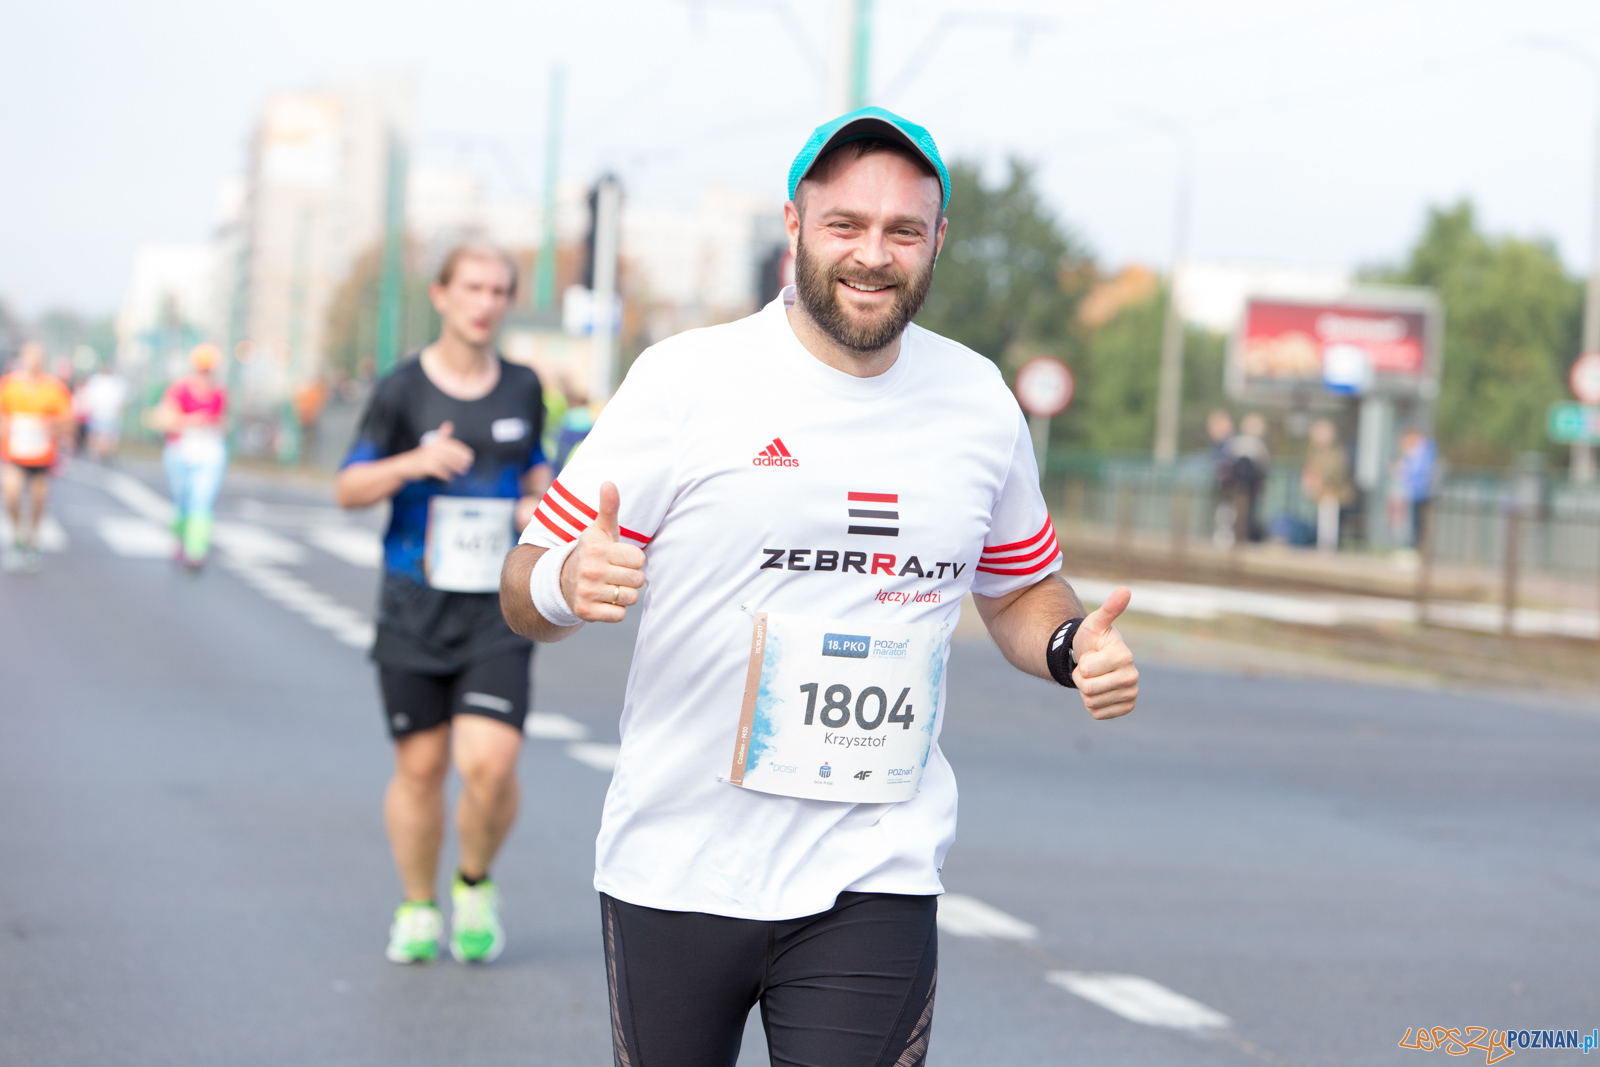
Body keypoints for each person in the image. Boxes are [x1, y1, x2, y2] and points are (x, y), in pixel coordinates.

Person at [500, 106, 1140, 1067]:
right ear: (795, 225)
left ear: (936, 242)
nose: (873, 254)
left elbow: (1016, 591)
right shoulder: (689, 382)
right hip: (680, 863)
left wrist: (1070, 645)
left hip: (874, 869)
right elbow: (521, 586)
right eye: (845, 224)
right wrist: (565, 581)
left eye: (902, 231)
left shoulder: (977, 402)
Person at [335, 243, 551, 965]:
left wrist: (537, 505)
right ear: (441, 295)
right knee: (422, 768)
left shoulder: (522, 386)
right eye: (472, 287)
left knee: (490, 763)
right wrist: (411, 463)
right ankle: (418, 904)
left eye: (498, 289)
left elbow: (539, 474)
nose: (485, 301)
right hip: (414, 607)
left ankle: (474, 882)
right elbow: (348, 489)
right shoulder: (402, 390)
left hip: (497, 607)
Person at [149, 344, 229, 569]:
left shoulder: (219, 393)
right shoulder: (179, 389)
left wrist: (215, 426)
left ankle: (196, 549)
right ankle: (181, 537)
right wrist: (193, 421)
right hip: (180, 452)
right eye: (202, 369)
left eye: (209, 370)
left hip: (209, 454)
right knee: (182, 500)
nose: (205, 374)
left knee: (201, 501)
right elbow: (164, 420)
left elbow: (223, 422)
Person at [0, 341, 74, 571]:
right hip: (15, 453)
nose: (34, 361)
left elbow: (68, 421)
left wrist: (51, 426)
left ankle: (32, 540)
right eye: (30, 356)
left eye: (38, 357)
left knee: (38, 501)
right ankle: (17, 537)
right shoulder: (10, 385)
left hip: (42, 455)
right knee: (11, 495)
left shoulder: (54, 388)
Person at [1301, 418, 1354, 552]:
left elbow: (1338, 470)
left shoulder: (1337, 451)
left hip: (1333, 491)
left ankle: (1328, 547)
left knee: (1329, 520)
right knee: (1322, 519)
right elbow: (1310, 467)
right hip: (1320, 490)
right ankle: (1322, 545)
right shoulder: (1314, 450)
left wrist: (1323, 479)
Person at [1226, 412, 1270, 544]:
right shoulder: (1259, 446)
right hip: (1250, 485)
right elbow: (1264, 465)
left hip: (1237, 484)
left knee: (1236, 509)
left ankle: (1235, 535)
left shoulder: (1235, 442)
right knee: (1249, 511)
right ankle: (1245, 536)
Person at [78, 362, 129, 463]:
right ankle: (97, 456)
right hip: (99, 414)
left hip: (109, 415)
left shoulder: (116, 381)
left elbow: (121, 400)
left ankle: (104, 456)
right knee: (98, 437)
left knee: (106, 438)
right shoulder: (97, 380)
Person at [1398, 429, 1437, 549]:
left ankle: (1421, 551)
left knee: (1422, 526)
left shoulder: (1424, 451)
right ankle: (1418, 549)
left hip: (1423, 493)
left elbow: (1420, 472)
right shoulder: (1421, 451)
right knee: (1418, 525)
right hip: (1417, 493)